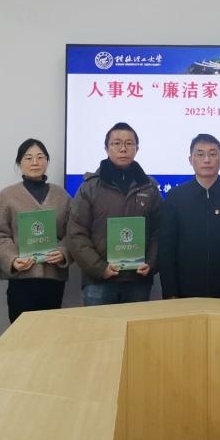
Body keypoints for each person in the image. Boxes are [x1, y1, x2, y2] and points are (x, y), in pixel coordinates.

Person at [67, 122, 161, 306]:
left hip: (138, 280)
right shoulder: (90, 187)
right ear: (106, 148)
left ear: (137, 148)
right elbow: (76, 232)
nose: (123, 149)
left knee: (136, 326)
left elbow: (158, 231)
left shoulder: (149, 187)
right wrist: (100, 268)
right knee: (101, 326)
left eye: (129, 143)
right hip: (99, 281)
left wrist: (151, 262)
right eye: (116, 143)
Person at [159, 134, 220, 300]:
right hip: (186, 289)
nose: (207, 160)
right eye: (200, 154)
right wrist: (170, 291)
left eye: (212, 154)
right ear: (190, 160)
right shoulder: (175, 197)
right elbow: (167, 249)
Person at [0, 138, 72, 322]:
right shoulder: (7, 196)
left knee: (49, 331)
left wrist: (63, 252)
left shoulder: (62, 195)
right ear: (19, 163)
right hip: (22, 278)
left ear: (47, 161)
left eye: (40, 157)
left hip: (53, 278)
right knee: (21, 333)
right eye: (28, 158)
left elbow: (72, 233)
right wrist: (12, 259)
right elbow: (0, 234)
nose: (35, 162)